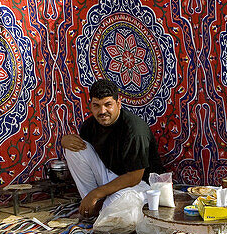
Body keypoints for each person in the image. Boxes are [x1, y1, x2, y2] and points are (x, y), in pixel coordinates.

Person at [61, 78, 165, 219]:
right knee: (73, 148)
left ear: (118, 104)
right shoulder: (89, 126)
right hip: (109, 178)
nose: (102, 111)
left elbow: (135, 177)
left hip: (140, 185)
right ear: (90, 106)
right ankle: (93, 204)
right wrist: (64, 140)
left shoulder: (134, 130)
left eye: (108, 105)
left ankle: (98, 204)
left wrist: (97, 193)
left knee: (118, 211)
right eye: (96, 106)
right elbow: (85, 157)